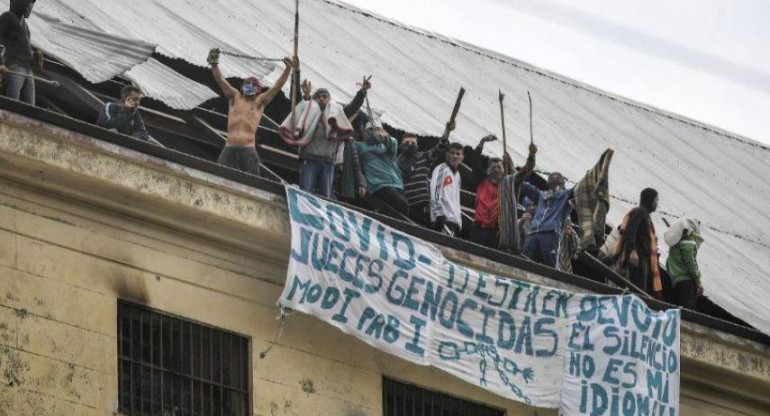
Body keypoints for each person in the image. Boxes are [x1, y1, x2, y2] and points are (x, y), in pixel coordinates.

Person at [208, 47, 297, 176]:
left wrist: (288, 69)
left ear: (258, 90)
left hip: (248, 149)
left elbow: (277, 86)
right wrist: (214, 63)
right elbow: (221, 80)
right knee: (220, 177)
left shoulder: (258, 102)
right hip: (230, 146)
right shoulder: (235, 97)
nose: (250, 85)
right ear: (243, 86)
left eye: (254, 84)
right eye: (248, 83)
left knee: (252, 180)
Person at [280, 83, 355, 198]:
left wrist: (362, 92)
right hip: (309, 161)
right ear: (314, 99)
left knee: (325, 198)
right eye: (318, 96)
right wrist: (303, 89)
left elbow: (352, 107)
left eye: (325, 96)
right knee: (305, 193)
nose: (321, 99)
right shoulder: (307, 113)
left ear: (329, 100)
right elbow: (297, 102)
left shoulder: (335, 117)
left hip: (328, 163)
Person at [610, 188, 663, 299]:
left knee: (640, 290)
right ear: (651, 200)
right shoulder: (640, 212)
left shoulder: (646, 217)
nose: (657, 204)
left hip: (642, 260)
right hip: (638, 259)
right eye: (656, 200)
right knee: (638, 292)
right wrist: (632, 251)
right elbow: (630, 230)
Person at [397, 126, 452, 225]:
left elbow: (439, 148)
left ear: (417, 146)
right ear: (401, 145)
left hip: (419, 204)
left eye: (413, 143)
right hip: (403, 203)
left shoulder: (423, 157)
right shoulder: (396, 162)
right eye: (407, 143)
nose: (410, 145)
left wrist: (447, 131)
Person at [519, 172, 574, 267]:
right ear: (548, 182)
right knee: (524, 263)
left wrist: (591, 175)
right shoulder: (541, 195)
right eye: (552, 177)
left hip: (551, 233)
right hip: (533, 234)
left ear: (562, 183)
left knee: (550, 267)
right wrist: (515, 172)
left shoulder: (566, 195)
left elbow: (580, 188)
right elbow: (525, 186)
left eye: (558, 177)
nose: (555, 178)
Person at [354, 125, 408, 220]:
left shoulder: (388, 146)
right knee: (403, 205)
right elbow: (348, 140)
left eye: (376, 129)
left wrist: (385, 136)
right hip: (379, 184)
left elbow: (393, 143)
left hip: (397, 184)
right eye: (369, 130)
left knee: (398, 211)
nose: (372, 132)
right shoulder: (360, 146)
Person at [0, 0, 41, 105]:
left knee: (30, 107)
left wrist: (35, 55)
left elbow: (22, 47)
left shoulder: (25, 25)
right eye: (29, 3)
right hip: (14, 67)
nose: (30, 7)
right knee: (12, 104)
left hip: (27, 70)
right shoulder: (7, 17)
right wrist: (1, 64)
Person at [97, 85, 163, 146]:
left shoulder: (135, 113)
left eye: (139, 100)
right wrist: (125, 110)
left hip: (125, 145)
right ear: (125, 99)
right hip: (106, 143)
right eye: (135, 99)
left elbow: (143, 133)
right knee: (113, 131)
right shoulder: (110, 106)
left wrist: (132, 138)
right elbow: (105, 125)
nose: (138, 103)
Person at [664, 217, 704, 309]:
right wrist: (698, 282)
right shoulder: (689, 243)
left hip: (675, 282)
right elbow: (691, 264)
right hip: (687, 284)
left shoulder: (674, 244)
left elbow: (668, 263)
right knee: (686, 312)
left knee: (675, 310)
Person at [430, 142, 464, 236]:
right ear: (447, 154)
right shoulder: (441, 169)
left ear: (462, 157)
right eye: (452, 153)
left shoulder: (457, 175)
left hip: (454, 222)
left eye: (458, 154)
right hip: (442, 220)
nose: (455, 156)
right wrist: (439, 214)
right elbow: (435, 192)